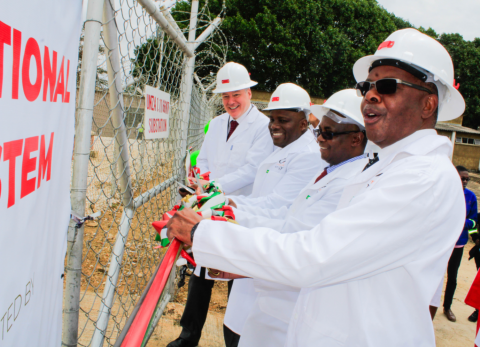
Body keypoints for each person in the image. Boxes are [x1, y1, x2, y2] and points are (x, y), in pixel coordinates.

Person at [167, 28, 467, 346]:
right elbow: (299, 230)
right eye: (367, 86)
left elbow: (315, 255)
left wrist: (206, 234)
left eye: (388, 86)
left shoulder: (421, 179)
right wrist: (235, 247)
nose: (371, 95)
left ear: (428, 104)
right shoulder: (389, 169)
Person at [213, 88, 368, 347]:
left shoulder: (345, 183)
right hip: (271, 282)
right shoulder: (330, 171)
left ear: (356, 139)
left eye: (327, 133)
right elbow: (286, 213)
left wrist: (230, 227)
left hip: (286, 295)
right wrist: (231, 211)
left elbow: (294, 231)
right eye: (321, 132)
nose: (319, 138)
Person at [167, 62, 274, 347]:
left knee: (237, 277)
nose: (231, 101)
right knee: (201, 271)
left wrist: (213, 189)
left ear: (249, 92)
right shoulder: (215, 124)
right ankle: (188, 336)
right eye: (225, 96)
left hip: (238, 210)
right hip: (207, 205)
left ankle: (235, 340)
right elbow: (203, 159)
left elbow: (251, 170)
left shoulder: (263, 127)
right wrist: (199, 178)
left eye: (236, 94)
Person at [220, 83, 324, 346]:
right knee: (237, 328)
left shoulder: (308, 155)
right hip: (256, 247)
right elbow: (262, 199)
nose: (274, 125)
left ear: (304, 122)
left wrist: (230, 207)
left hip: (270, 254)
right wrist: (230, 204)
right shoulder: (285, 147)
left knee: (249, 332)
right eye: (272, 119)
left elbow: (278, 206)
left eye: (283, 120)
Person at [442, 166, 478, 322]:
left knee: (452, 277)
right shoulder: (445, 193)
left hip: (458, 244)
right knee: (434, 275)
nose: (464, 181)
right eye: (462, 178)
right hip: (441, 244)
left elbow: (474, 221)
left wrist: (461, 222)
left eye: (467, 179)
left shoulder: (470, 197)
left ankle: (447, 306)